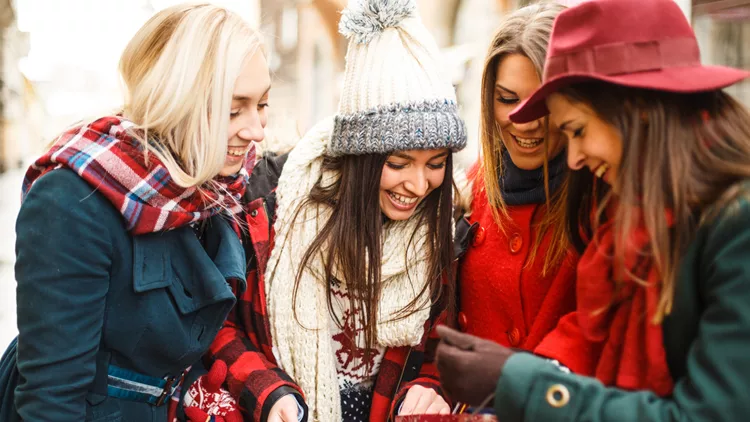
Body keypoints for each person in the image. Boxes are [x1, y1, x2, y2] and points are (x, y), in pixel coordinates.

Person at [435, 0, 750, 420]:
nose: (577, 157)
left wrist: (520, 383)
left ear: (635, 110)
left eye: (577, 130)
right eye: (505, 98)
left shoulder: (734, 225)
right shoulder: (655, 212)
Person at [185, 0, 467, 421]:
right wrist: (268, 391)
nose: (418, 184)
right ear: (361, 156)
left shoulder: (442, 232)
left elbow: (439, 344)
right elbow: (221, 324)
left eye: (436, 163)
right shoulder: (269, 206)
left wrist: (430, 385)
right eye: (398, 163)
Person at [0, 3, 271, 422]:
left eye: (262, 105)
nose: (255, 130)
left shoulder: (212, 190)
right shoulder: (72, 202)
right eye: (234, 110)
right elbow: (52, 402)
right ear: (176, 98)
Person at [455, 2, 577, 356]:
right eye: (507, 99)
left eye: (544, 102)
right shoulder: (470, 186)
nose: (524, 121)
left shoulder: (604, 194)